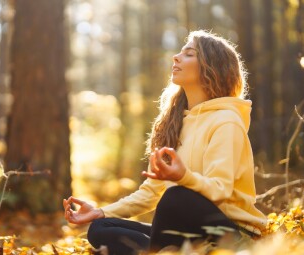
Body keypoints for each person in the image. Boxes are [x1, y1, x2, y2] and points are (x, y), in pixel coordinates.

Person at [63, 30, 267, 254]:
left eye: (189, 54)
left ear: (212, 67)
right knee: (100, 228)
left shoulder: (226, 121)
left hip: (232, 235)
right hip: (188, 230)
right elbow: (150, 193)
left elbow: (220, 190)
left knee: (176, 196)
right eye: (180, 52)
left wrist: (183, 178)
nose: (176, 57)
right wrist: (100, 211)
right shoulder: (176, 122)